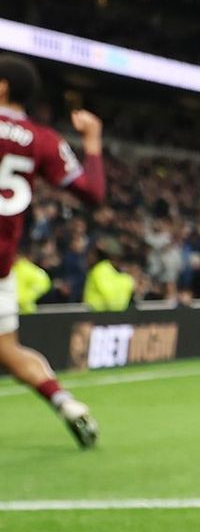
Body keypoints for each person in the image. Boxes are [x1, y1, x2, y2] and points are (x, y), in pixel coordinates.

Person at [0, 54, 104, 448]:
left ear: (3, 87)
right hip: (2, 265)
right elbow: (93, 193)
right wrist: (92, 140)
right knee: (8, 350)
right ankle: (67, 404)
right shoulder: (43, 140)